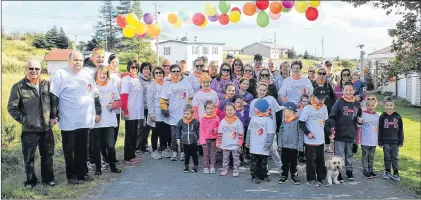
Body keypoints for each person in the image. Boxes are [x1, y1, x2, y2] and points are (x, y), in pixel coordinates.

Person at [50, 50, 101, 184]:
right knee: (70, 150)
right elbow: (54, 95)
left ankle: (82, 173)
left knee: (82, 149)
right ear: (69, 60)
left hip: (85, 119)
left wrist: (98, 111)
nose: (78, 62)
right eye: (75, 60)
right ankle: (72, 176)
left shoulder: (87, 75)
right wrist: (53, 115)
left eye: (80, 60)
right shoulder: (60, 74)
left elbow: (95, 94)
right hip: (69, 120)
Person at [7, 59, 56, 188]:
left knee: (48, 156)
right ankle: (31, 181)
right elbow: (12, 108)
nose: (34, 71)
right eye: (31, 68)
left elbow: (54, 103)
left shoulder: (47, 85)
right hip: (29, 131)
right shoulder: (18, 87)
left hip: (46, 129)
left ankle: (48, 179)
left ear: (41, 70)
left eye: (37, 68)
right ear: (26, 69)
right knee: (29, 158)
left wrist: (54, 117)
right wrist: (26, 120)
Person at [328, 81, 362, 182]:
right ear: (342, 91)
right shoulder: (339, 102)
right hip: (340, 134)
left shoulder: (356, 104)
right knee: (339, 155)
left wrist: (359, 121)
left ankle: (349, 171)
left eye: (350, 90)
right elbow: (332, 116)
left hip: (351, 134)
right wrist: (332, 127)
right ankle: (338, 174)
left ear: (354, 91)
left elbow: (358, 118)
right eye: (346, 90)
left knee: (349, 155)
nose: (348, 92)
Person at [160, 64, 194, 161]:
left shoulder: (185, 82)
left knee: (183, 134)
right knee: (174, 134)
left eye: (178, 71)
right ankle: (174, 151)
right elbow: (163, 98)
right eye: (173, 71)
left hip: (184, 113)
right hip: (172, 113)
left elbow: (191, 96)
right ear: (170, 72)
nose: (176, 73)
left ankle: (183, 152)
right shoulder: (167, 84)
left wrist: (190, 108)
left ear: (180, 72)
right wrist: (164, 108)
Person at [92, 66, 122, 175]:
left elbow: (119, 101)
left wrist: (113, 105)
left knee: (110, 145)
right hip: (97, 121)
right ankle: (98, 169)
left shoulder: (112, 86)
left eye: (105, 73)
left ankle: (113, 166)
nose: (102, 75)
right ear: (96, 74)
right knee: (97, 146)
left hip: (109, 120)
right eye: (100, 73)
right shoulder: (92, 86)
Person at [298, 86, 330, 187]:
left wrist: (329, 133)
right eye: (319, 98)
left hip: (320, 140)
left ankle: (322, 177)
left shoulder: (324, 107)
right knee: (311, 161)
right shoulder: (308, 108)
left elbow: (326, 122)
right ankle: (311, 179)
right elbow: (301, 123)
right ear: (313, 97)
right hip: (310, 141)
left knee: (321, 160)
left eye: (323, 98)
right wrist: (308, 133)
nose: (321, 100)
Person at [249, 82, 282, 174]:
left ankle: (280, 166)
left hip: (270, 129)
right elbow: (252, 117)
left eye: (264, 90)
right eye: (260, 90)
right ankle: (264, 169)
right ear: (257, 89)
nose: (262, 92)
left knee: (272, 149)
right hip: (258, 131)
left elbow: (277, 108)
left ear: (267, 91)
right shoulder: (253, 102)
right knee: (262, 150)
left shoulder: (271, 99)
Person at [246, 98, 275, 184]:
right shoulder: (254, 118)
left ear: (261, 108)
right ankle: (255, 176)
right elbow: (249, 130)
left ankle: (263, 175)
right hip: (254, 145)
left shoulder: (268, 120)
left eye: (256, 107)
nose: (254, 109)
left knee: (263, 162)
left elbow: (271, 134)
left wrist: (268, 144)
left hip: (263, 145)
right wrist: (247, 141)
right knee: (254, 162)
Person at [121, 60, 144, 165]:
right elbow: (124, 95)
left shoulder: (137, 79)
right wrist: (125, 110)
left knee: (134, 133)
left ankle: (132, 154)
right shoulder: (126, 79)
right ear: (129, 68)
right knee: (130, 134)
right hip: (130, 112)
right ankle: (127, 157)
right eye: (132, 67)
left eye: (136, 67)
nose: (134, 69)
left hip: (136, 112)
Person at [147, 67, 172, 159]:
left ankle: (163, 148)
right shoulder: (152, 86)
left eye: (160, 73)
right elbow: (150, 101)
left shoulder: (167, 84)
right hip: (156, 112)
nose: (159, 74)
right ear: (154, 75)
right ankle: (154, 150)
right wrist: (152, 114)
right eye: (156, 73)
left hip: (165, 112)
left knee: (165, 131)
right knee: (155, 132)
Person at [278, 102, 303, 185]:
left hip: (294, 146)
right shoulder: (284, 121)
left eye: (284, 110)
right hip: (285, 145)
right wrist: (280, 143)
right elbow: (281, 132)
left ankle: (294, 175)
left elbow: (300, 133)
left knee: (294, 162)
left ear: (291, 111)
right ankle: (284, 175)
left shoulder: (297, 121)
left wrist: (300, 145)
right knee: (284, 162)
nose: (283, 112)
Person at [379, 97, 404, 181]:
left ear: (394, 106)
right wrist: (380, 142)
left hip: (395, 142)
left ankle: (396, 173)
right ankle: (387, 172)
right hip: (386, 142)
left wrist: (401, 141)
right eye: (387, 105)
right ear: (384, 106)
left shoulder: (397, 116)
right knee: (387, 157)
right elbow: (380, 130)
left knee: (395, 157)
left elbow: (401, 129)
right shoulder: (382, 116)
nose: (388, 107)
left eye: (390, 105)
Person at [312, 68, 336, 154]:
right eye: (320, 73)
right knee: (316, 127)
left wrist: (332, 108)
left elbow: (333, 97)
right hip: (315, 110)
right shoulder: (313, 84)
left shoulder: (328, 84)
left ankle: (327, 146)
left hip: (326, 110)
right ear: (317, 74)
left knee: (326, 126)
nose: (321, 75)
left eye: (323, 74)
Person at [216, 102, 244, 177]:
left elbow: (241, 133)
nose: (229, 111)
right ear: (225, 111)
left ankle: (236, 169)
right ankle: (225, 169)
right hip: (225, 143)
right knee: (225, 157)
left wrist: (240, 142)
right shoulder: (223, 122)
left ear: (235, 111)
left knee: (236, 157)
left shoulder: (238, 122)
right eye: (227, 110)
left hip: (235, 144)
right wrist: (218, 142)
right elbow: (220, 133)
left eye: (231, 110)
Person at [358, 96, 379, 179]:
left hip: (373, 140)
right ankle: (365, 171)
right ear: (366, 106)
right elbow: (358, 125)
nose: (371, 107)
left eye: (372, 105)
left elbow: (378, 128)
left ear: (375, 105)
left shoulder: (377, 116)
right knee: (365, 156)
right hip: (365, 140)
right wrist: (359, 121)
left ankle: (371, 170)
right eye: (369, 105)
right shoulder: (363, 114)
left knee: (371, 156)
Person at [176, 105, 200, 173]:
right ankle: (186, 166)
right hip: (185, 142)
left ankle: (195, 166)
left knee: (194, 155)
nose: (185, 115)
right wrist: (178, 138)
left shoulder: (195, 121)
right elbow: (177, 129)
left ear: (192, 114)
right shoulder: (181, 121)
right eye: (184, 113)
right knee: (186, 155)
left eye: (187, 114)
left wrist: (199, 139)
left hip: (193, 142)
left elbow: (198, 130)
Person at [200, 100, 220, 174]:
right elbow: (201, 130)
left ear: (214, 108)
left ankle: (212, 166)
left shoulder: (216, 118)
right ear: (205, 109)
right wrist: (202, 140)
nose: (210, 110)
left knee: (212, 153)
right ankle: (205, 166)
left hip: (214, 139)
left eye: (212, 108)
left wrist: (216, 130)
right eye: (208, 108)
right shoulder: (203, 118)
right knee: (205, 154)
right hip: (205, 139)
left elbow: (220, 127)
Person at [136, 62, 153, 154]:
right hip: (141, 107)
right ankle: (137, 147)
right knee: (141, 127)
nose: (146, 71)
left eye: (148, 69)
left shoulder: (151, 80)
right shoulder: (138, 79)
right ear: (141, 70)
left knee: (147, 127)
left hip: (149, 107)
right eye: (145, 69)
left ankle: (144, 146)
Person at [107, 54, 121, 154]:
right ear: (109, 63)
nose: (115, 64)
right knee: (109, 132)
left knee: (116, 130)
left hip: (118, 106)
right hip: (109, 106)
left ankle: (112, 154)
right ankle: (107, 155)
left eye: (117, 62)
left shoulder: (119, 74)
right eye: (113, 62)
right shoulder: (107, 74)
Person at [233, 94, 250, 165]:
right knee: (236, 145)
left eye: (241, 102)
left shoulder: (245, 110)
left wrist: (246, 105)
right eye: (237, 102)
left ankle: (243, 158)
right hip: (234, 131)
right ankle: (235, 159)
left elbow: (250, 111)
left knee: (242, 144)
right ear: (234, 103)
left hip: (243, 129)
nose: (239, 104)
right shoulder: (232, 111)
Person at [297, 94, 310, 163]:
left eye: (307, 101)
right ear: (301, 101)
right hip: (300, 127)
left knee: (307, 141)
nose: (305, 103)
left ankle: (307, 154)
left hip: (307, 127)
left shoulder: (310, 109)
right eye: (304, 101)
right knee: (301, 141)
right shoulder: (298, 110)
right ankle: (300, 154)